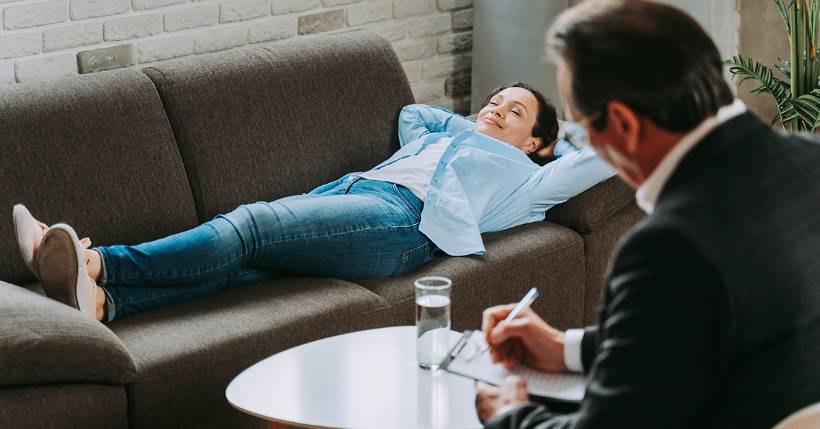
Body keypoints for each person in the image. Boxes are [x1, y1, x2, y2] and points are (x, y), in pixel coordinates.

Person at [475, 1, 820, 428]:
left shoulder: (668, 245)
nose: (585, 144)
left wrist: (511, 416)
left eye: (581, 128)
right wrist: (564, 347)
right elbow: (696, 330)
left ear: (622, 123)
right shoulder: (811, 161)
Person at [13, 82, 614, 323]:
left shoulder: (529, 179)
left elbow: (601, 156)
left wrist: (560, 144)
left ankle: (99, 261)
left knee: (248, 226)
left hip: (402, 223)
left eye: (514, 112)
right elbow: (414, 113)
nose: (495, 110)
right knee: (250, 266)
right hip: (352, 192)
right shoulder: (446, 133)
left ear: (537, 141)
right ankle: (104, 304)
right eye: (494, 100)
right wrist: (469, 127)